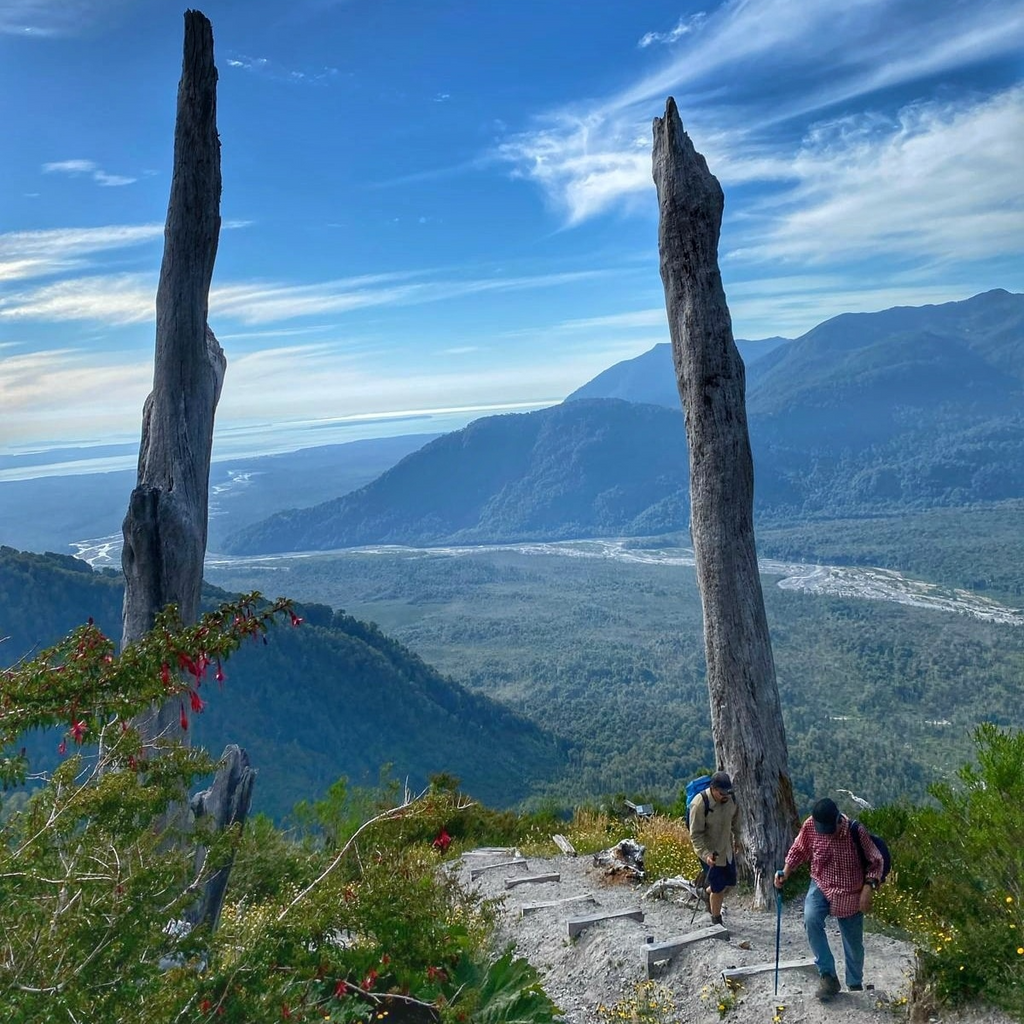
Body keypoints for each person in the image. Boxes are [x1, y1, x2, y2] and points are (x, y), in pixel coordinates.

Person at [774, 797, 884, 1002]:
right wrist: (786, 872)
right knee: (811, 918)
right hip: (821, 884)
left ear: (838, 819)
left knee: (853, 943)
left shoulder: (855, 831)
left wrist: (869, 888)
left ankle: (854, 984)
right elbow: (799, 849)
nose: (824, 831)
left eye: (828, 827)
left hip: (851, 891)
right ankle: (828, 976)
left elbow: (876, 861)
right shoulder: (810, 826)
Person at [688, 770, 741, 925]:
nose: (726, 796)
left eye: (728, 792)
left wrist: (738, 839)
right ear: (713, 788)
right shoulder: (699, 803)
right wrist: (706, 855)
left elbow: (736, 819)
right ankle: (716, 921)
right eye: (722, 793)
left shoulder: (731, 799)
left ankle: (706, 893)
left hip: (726, 850)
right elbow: (695, 835)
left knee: (729, 883)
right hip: (710, 853)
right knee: (718, 888)